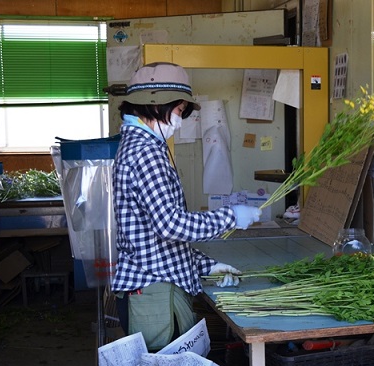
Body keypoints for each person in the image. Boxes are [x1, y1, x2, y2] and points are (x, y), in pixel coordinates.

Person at [111, 62, 261, 351]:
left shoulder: (139, 145)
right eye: (179, 111)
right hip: (157, 293)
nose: (180, 120)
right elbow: (171, 225)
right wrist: (231, 216)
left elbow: (156, 241)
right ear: (156, 105)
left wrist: (208, 265)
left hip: (153, 288)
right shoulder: (146, 153)